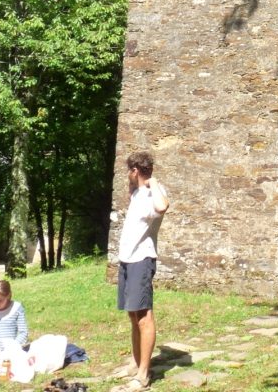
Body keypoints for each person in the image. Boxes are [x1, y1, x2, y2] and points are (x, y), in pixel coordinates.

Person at [115, 151, 168, 390]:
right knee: (132, 315)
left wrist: (153, 181)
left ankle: (143, 375)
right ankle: (137, 364)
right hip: (127, 260)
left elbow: (163, 206)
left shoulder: (152, 193)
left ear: (135, 171)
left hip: (141, 260)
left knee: (144, 317)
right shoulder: (136, 194)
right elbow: (133, 188)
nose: (128, 174)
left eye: (130, 170)